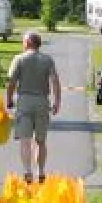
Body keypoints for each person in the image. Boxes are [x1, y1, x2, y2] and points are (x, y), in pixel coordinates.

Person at [6, 31, 61, 183]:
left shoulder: (19, 59)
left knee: (25, 140)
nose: (22, 44)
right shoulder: (47, 60)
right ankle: (41, 171)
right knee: (41, 141)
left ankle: (27, 171)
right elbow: (55, 81)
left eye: (24, 41)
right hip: (42, 101)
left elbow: (11, 82)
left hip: (24, 101)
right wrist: (57, 102)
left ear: (28, 42)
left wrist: (9, 99)